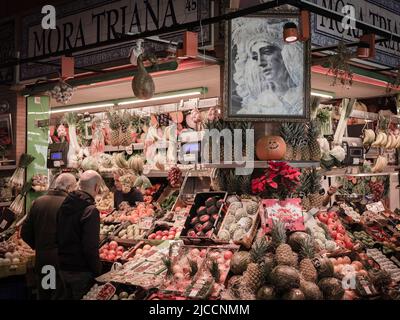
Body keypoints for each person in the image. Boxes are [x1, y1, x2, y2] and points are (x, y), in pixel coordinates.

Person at [21, 173, 77, 300]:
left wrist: (40, 247)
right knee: (60, 295)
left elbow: (25, 232)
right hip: (63, 264)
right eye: (75, 187)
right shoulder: (70, 206)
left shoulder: (38, 202)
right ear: (69, 188)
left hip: (44, 261)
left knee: (46, 293)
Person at [231, 17, 303, 116]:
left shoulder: (299, 99)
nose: (261, 62)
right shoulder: (255, 105)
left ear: (284, 55)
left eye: (266, 52)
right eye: (255, 57)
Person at [57, 170, 102, 300]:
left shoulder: (64, 204)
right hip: (81, 271)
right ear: (96, 187)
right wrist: (97, 270)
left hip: (63, 267)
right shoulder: (90, 210)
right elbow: (90, 247)